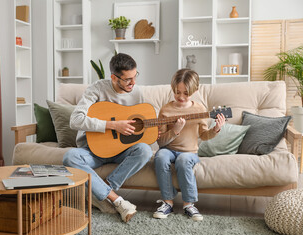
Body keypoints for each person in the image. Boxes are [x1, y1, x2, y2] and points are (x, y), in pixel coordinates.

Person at [63, 53, 152, 223]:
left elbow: (140, 125)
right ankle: (116, 200)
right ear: (114, 77)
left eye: (135, 77)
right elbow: (75, 120)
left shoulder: (136, 93)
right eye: (128, 79)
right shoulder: (96, 89)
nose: (133, 83)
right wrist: (112, 125)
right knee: (69, 157)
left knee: (145, 151)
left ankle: (102, 193)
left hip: (121, 150)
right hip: (92, 151)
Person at [152, 69, 225, 221]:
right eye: (177, 92)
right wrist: (175, 131)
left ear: (195, 90)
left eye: (186, 93)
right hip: (168, 149)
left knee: (183, 160)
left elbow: (204, 136)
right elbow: (160, 142)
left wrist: (216, 129)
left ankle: (189, 204)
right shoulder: (166, 109)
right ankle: (167, 203)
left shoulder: (199, 109)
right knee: (160, 156)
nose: (181, 97)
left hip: (189, 152)